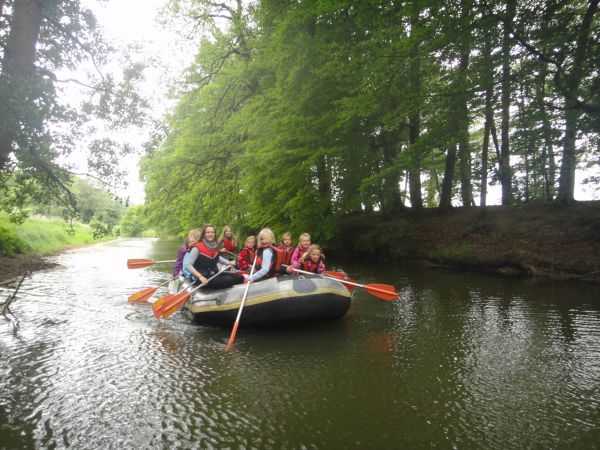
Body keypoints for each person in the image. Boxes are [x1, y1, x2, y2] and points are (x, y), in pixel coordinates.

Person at [184, 224, 244, 289]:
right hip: (203, 279)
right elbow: (187, 265)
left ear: (215, 234)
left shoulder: (215, 246)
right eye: (208, 232)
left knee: (240, 277)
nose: (210, 234)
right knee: (229, 280)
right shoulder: (196, 248)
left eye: (212, 232)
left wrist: (229, 263)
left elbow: (217, 257)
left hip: (214, 274)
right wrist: (200, 277)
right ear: (204, 234)